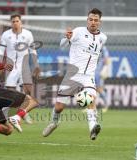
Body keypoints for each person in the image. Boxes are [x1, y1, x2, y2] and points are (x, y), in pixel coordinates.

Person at [42, 8, 107, 140]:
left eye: (96, 20)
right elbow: (62, 45)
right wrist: (67, 38)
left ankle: (93, 127)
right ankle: (54, 122)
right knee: (59, 107)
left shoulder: (103, 38)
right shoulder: (78, 32)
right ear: (87, 20)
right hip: (72, 75)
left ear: (100, 22)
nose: (93, 22)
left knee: (90, 99)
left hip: (88, 76)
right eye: (90, 19)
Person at [0, 14, 40, 124]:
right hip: (11, 67)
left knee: (28, 91)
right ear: (10, 23)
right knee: (10, 93)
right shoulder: (6, 35)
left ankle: (23, 113)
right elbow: (1, 51)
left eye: (17, 21)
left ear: (21, 22)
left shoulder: (28, 34)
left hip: (24, 66)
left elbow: (32, 51)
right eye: (13, 21)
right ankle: (5, 114)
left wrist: (36, 65)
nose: (15, 23)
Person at [95, 46, 110, 112]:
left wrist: (105, 69)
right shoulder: (91, 45)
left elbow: (106, 59)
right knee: (91, 89)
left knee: (99, 89)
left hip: (99, 72)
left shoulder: (103, 48)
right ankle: (91, 106)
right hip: (91, 71)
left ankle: (106, 105)